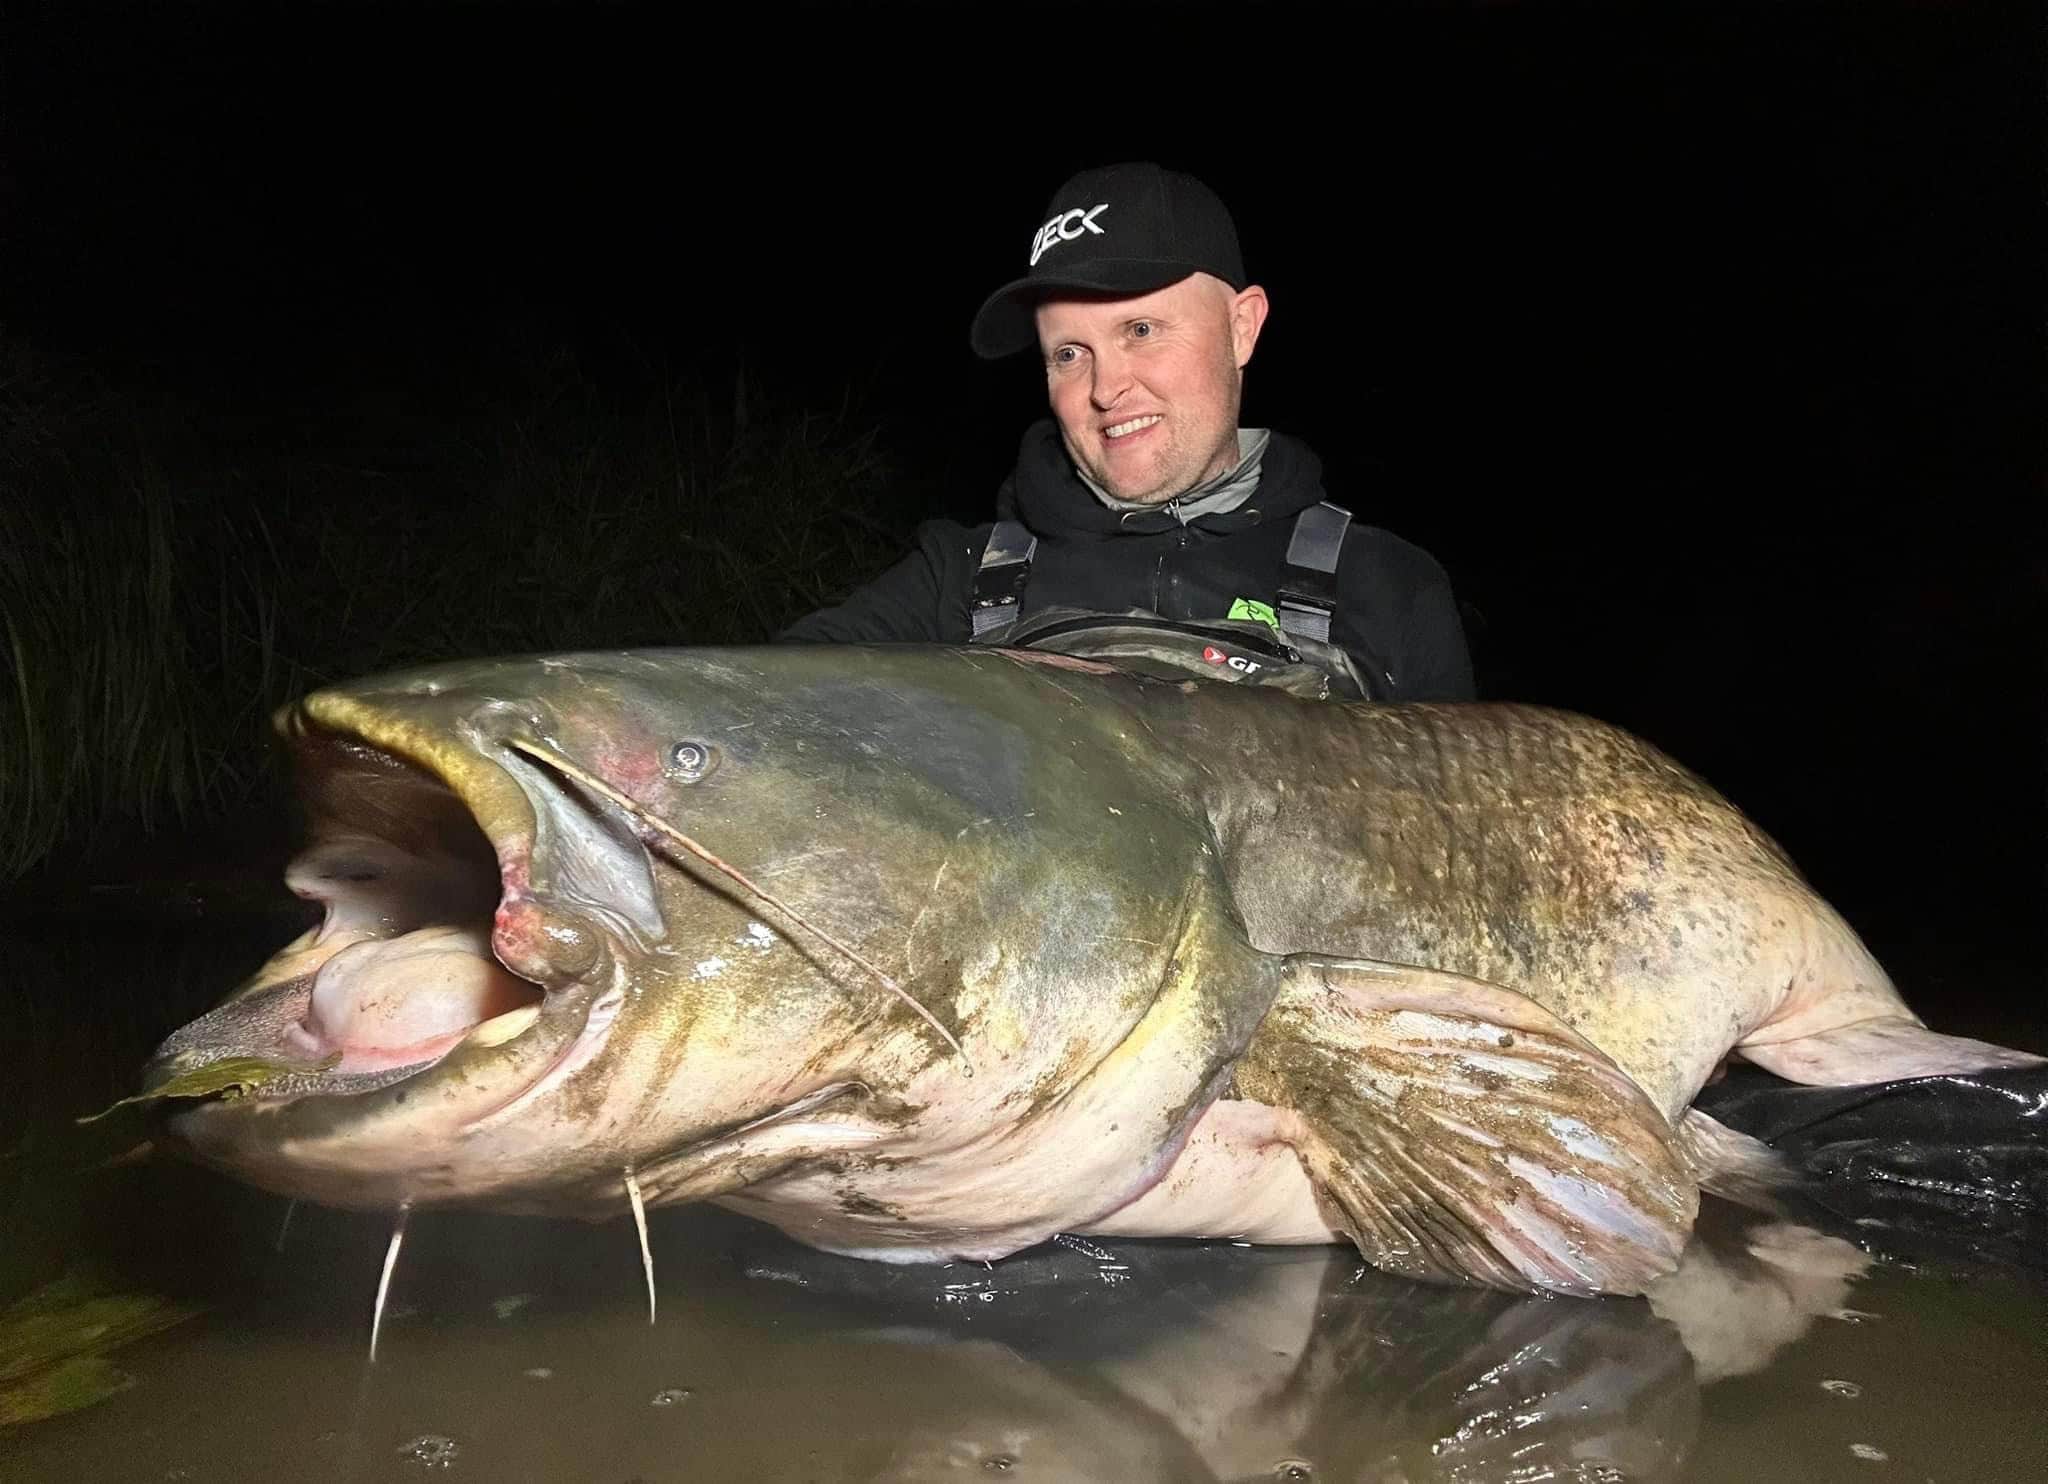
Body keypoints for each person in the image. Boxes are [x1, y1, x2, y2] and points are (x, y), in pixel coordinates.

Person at [779, 161, 1476, 703]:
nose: (1105, 389)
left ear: (1242, 327)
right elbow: (762, 706)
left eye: (1140, 330)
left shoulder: (1387, 585)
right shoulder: (960, 581)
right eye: (1068, 354)